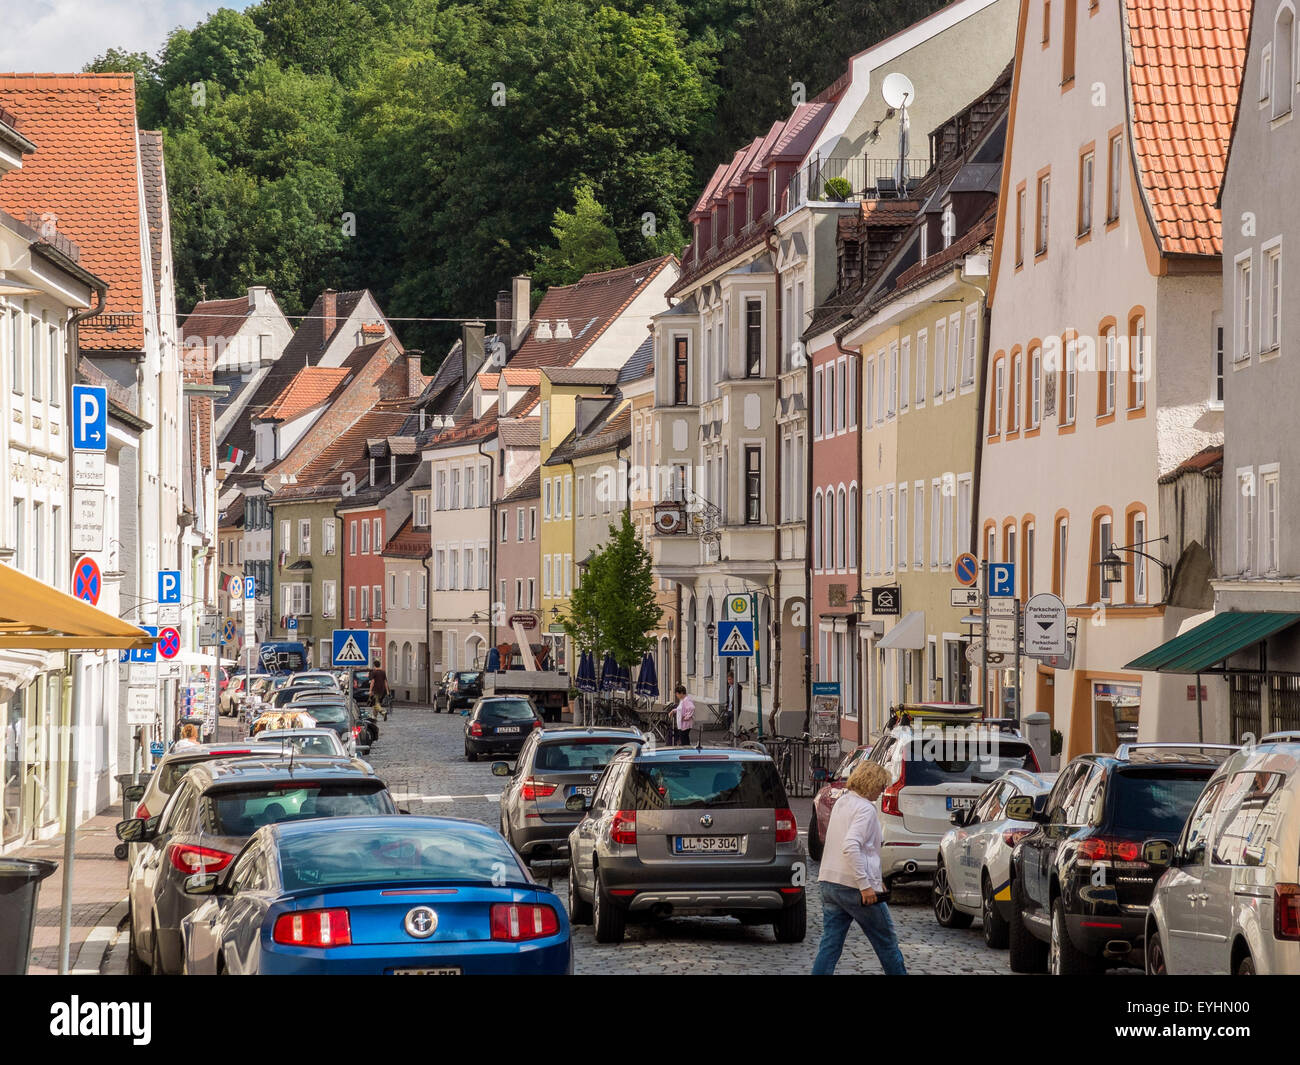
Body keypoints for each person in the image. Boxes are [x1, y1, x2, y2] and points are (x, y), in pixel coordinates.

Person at [811, 761, 907, 975]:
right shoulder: (865, 809)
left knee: (830, 946)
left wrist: (876, 879)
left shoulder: (843, 803)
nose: (882, 791)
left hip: (830, 882)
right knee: (886, 942)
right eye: (881, 786)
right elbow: (851, 846)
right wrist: (865, 885)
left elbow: (859, 848)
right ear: (871, 784)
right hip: (854, 887)